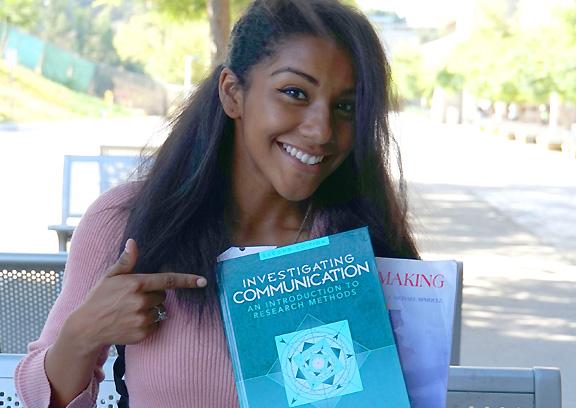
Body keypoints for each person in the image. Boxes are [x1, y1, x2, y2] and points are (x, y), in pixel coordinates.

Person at [14, 0, 419, 406]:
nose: (321, 129)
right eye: (295, 93)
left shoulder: (364, 243)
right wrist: (85, 332)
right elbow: (38, 399)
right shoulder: (125, 222)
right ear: (232, 93)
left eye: (346, 106)